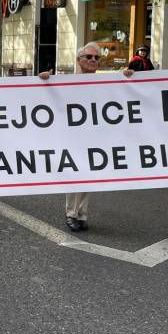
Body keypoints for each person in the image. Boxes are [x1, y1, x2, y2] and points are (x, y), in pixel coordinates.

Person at [39, 42, 134, 232]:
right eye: (88, 57)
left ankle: (82, 214)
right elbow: (46, 96)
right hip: (73, 136)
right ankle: (71, 213)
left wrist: (126, 77)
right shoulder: (64, 81)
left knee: (90, 175)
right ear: (78, 59)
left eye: (96, 58)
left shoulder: (106, 83)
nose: (93, 61)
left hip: (95, 136)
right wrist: (44, 79)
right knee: (74, 173)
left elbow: (120, 95)